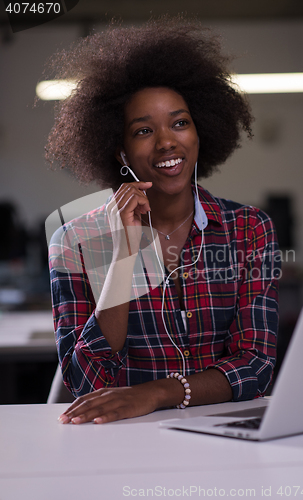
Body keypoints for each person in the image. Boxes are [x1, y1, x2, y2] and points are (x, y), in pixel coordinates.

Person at [45, 16, 280, 424]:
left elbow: (256, 365)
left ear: (199, 131)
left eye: (179, 123)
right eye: (143, 130)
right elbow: (88, 380)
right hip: (122, 439)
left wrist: (156, 394)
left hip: (222, 435)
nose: (167, 141)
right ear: (120, 152)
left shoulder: (250, 229)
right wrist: (123, 252)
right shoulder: (74, 242)